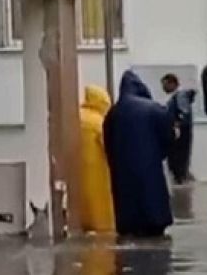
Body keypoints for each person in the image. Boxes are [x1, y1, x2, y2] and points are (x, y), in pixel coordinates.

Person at [103, 70, 174, 237]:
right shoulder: (154, 109)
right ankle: (155, 223)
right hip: (150, 167)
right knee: (153, 200)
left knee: (128, 208)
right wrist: (160, 154)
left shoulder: (113, 113)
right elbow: (168, 137)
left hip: (123, 172)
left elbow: (107, 143)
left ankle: (132, 226)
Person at [78, 85, 115, 233]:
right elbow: (108, 145)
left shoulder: (78, 116)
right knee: (99, 204)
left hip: (77, 167)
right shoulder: (98, 121)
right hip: (97, 168)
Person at [161, 73, 197, 185]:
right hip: (181, 133)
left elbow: (183, 113)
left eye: (165, 85)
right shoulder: (178, 97)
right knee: (180, 159)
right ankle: (181, 177)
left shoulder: (179, 96)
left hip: (180, 134)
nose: (163, 88)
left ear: (172, 83)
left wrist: (177, 125)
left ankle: (181, 178)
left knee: (178, 159)